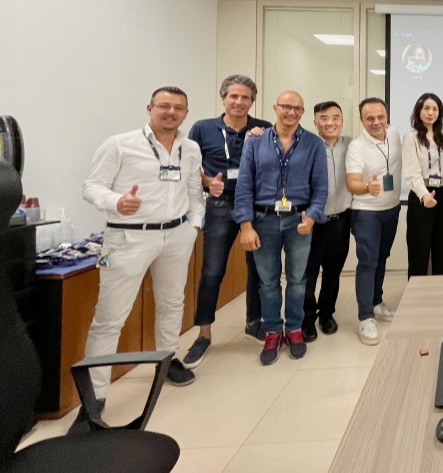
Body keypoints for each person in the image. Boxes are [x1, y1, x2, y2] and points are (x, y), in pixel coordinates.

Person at [81, 87, 205, 405]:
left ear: (186, 113)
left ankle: (167, 360)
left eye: (178, 107)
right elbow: (91, 186)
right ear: (150, 108)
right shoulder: (120, 145)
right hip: (128, 237)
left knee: (172, 303)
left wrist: (194, 226)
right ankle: (95, 396)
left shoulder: (190, 149)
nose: (171, 112)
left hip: (176, 236)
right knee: (110, 318)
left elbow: (195, 191)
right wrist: (116, 201)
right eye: (164, 106)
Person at [181, 75, 271, 370]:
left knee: (258, 269)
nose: (239, 102)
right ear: (223, 98)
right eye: (234, 96)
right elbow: (188, 168)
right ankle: (204, 333)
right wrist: (208, 182)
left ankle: (254, 322)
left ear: (252, 101)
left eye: (245, 97)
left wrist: (262, 141)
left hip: (256, 207)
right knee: (212, 271)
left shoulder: (263, 128)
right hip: (220, 206)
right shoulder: (203, 129)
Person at [234, 91, 327, 365]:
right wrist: (245, 226)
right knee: (267, 281)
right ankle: (273, 331)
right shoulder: (255, 141)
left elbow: (321, 187)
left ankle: (294, 329)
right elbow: (244, 185)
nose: (292, 112)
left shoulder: (313, 144)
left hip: (299, 220)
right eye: (286, 106)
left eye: (298, 108)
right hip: (263, 220)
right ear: (275, 108)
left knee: (298, 279)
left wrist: (312, 216)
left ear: (302, 112)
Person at [346, 98, 402, 346]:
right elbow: (351, 182)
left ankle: (376, 302)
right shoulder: (357, 147)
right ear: (361, 120)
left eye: (381, 116)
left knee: (382, 257)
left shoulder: (395, 134)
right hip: (367, 211)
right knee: (368, 262)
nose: (376, 122)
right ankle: (365, 317)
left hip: (392, 208)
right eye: (370, 118)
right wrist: (368, 187)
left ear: (387, 116)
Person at [301, 101, 352, 341]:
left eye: (335, 117)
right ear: (315, 122)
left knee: (333, 271)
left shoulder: (351, 144)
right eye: (324, 118)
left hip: (341, 219)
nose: (330, 123)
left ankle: (327, 314)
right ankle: (307, 318)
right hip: (313, 221)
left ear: (342, 120)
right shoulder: (306, 145)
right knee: (308, 272)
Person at [402, 93, 443, 277]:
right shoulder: (411, 138)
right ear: (418, 111)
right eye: (426, 108)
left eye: (435, 109)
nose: (430, 113)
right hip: (421, 197)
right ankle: (416, 293)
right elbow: (412, 173)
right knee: (419, 250)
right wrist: (424, 195)